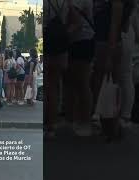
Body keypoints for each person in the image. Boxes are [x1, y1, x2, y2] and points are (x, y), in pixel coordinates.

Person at [92, 0, 135, 136]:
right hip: (109, 43)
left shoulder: (117, 3)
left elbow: (114, 26)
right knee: (111, 83)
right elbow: (124, 26)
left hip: (108, 44)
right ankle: (110, 120)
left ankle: (109, 120)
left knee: (108, 82)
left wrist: (110, 54)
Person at [44, 0, 79, 137]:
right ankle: (52, 125)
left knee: (48, 87)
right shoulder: (66, 2)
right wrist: (64, 32)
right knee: (54, 87)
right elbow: (77, 22)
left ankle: (46, 123)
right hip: (61, 49)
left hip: (48, 46)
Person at [64, 0, 95, 136]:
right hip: (76, 41)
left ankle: (84, 121)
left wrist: (63, 34)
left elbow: (75, 19)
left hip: (83, 40)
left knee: (82, 83)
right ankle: (75, 119)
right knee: (73, 83)